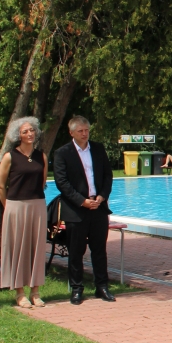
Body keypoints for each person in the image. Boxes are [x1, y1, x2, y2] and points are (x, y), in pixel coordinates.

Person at [53, 116, 115, 305]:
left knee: (99, 250)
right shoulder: (62, 153)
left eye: (86, 130)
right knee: (76, 251)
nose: (84, 134)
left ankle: (102, 286)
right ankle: (77, 288)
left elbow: (108, 175)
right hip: (76, 210)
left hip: (98, 207)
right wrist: (82, 201)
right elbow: (62, 182)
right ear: (71, 132)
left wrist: (102, 196)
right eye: (80, 131)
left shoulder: (98, 149)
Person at [0, 117, 48, 308]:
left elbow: (42, 182)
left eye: (32, 130)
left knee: (37, 248)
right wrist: (9, 207)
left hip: (37, 204)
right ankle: (19, 293)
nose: (29, 134)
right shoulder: (10, 156)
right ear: (18, 135)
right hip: (15, 206)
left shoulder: (41, 156)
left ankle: (35, 292)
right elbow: (0, 186)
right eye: (25, 131)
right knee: (17, 248)